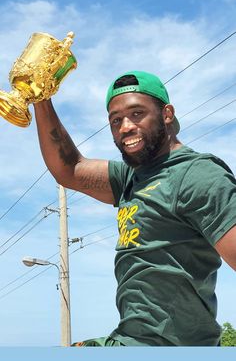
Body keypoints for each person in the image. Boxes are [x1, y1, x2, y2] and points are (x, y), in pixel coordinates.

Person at [33, 70, 236, 346]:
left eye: (137, 113)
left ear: (166, 114)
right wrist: (40, 96)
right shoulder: (132, 177)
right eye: (116, 120)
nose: (125, 126)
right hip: (129, 340)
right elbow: (69, 169)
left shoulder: (198, 175)